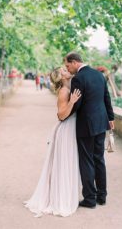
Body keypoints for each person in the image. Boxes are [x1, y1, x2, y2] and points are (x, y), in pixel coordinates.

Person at [24, 67, 81, 217]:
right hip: (66, 129)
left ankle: (64, 195)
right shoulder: (64, 91)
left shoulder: (70, 87)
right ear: (62, 77)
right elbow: (61, 115)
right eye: (64, 70)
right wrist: (72, 102)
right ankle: (59, 199)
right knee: (63, 164)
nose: (67, 70)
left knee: (67, 163)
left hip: (70, 128)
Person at [64, 52, 114, 208]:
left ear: (74, 62)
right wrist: (110, 118)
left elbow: (76, 104)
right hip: (101, 123)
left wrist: (63, 116)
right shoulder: (99, 75)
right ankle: (102, 196)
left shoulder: (78, 78)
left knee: (86, 161)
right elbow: (106, 97)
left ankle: (90, 199)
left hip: (86, 124)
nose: (68, 69)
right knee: (99, 159)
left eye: (67, 65)